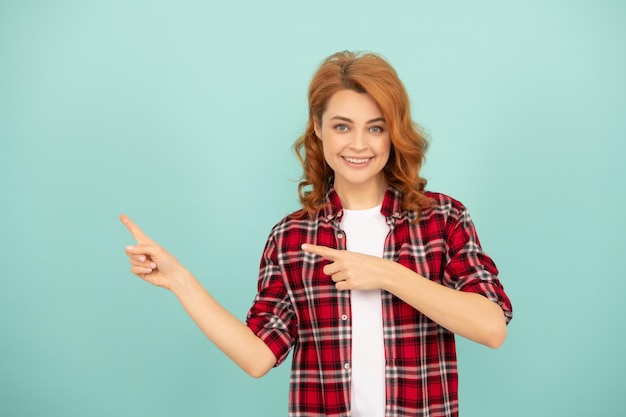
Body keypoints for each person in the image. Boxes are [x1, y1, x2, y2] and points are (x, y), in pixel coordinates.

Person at [121, 50, 513, 417]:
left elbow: (492, 327)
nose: (359, 144)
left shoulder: (442, 218)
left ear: (392, 133)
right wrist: (180, 282)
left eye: (375, 128)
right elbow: (258, 357)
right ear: (318, 127)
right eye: (342, 126)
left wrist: (388, 274)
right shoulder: (291, 237)